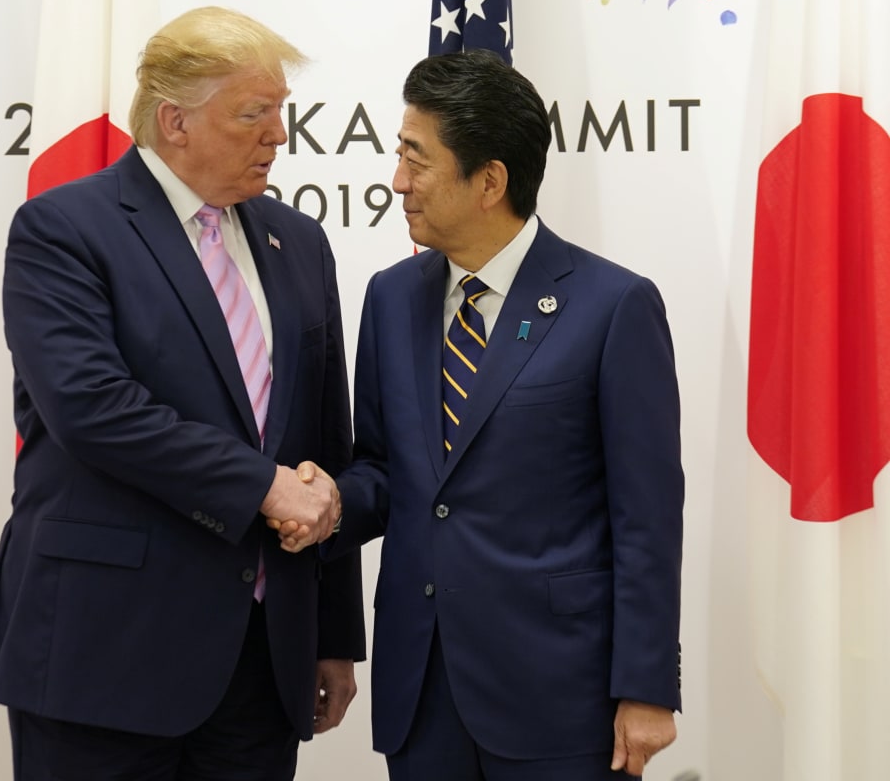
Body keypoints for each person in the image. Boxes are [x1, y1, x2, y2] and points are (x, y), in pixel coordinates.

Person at [0, 6, 365, 781]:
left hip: (261, 665)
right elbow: (92, 409)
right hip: (104, 654)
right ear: (175, 121)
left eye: (280, 112)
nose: (278, 136)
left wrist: (333, 632)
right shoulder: (64, 229)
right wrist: (264, 485)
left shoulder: (298, 242)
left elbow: (322, 444)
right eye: (254, 114)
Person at [278, 49, 683, 780]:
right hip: (422, 690)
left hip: (560, 697)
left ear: (489, 180)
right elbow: (385, 468)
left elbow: (647, 517)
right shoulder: (391, 297)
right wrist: (332, 501)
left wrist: (647, 688)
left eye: (416, 159)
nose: (398, 181)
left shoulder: (613, 307)